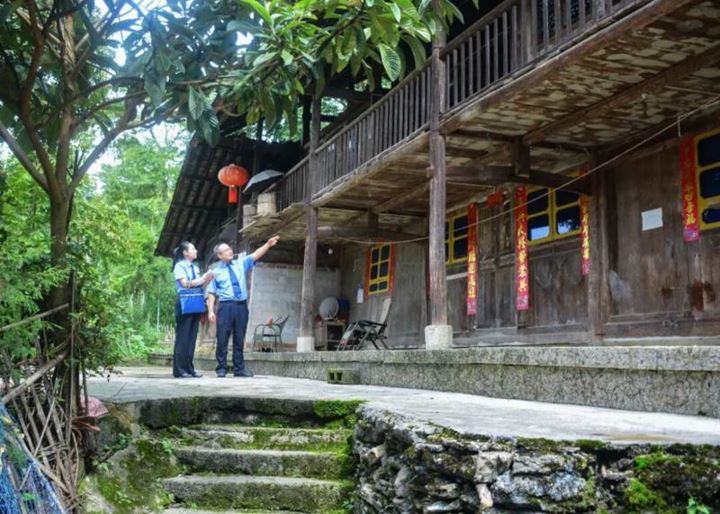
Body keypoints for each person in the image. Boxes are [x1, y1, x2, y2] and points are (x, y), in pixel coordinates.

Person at [207, 236, 280, 377]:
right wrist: (210, 311)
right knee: (222, 337)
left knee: (239, 337)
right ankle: (221, 368)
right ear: (219, 255)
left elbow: (255, 254)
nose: (229, 251)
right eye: (225, 250)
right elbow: (211, 292)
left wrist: (268, 244)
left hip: (241, 306)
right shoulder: (215, 272)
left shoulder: (241, 263)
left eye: (229, 249)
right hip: (225, 306)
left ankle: (239, 369)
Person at [172, 242, 214, 378]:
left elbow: (199, 285)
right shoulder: (179, 266)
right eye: (193, 249)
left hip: (195, 301)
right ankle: (179, 369)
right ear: (185, 252)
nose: (196, 250)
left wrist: (207, 279)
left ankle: (189, 368)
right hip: (184, 301)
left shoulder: (195, 267)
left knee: (192, 337)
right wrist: (202, 278)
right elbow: (185, 284)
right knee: (183, 336)